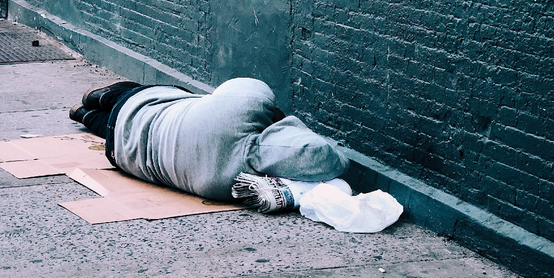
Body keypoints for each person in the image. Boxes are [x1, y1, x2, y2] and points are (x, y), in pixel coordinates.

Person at [69, 78, 350, 204]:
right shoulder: (229, 183)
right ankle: (83, 115)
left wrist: (280, 118)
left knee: (137, 96)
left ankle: (96, 98)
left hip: (143, 104)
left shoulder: (241, 109)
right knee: (113, 128)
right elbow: (329, 158)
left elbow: (246, 85)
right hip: (121, 153)